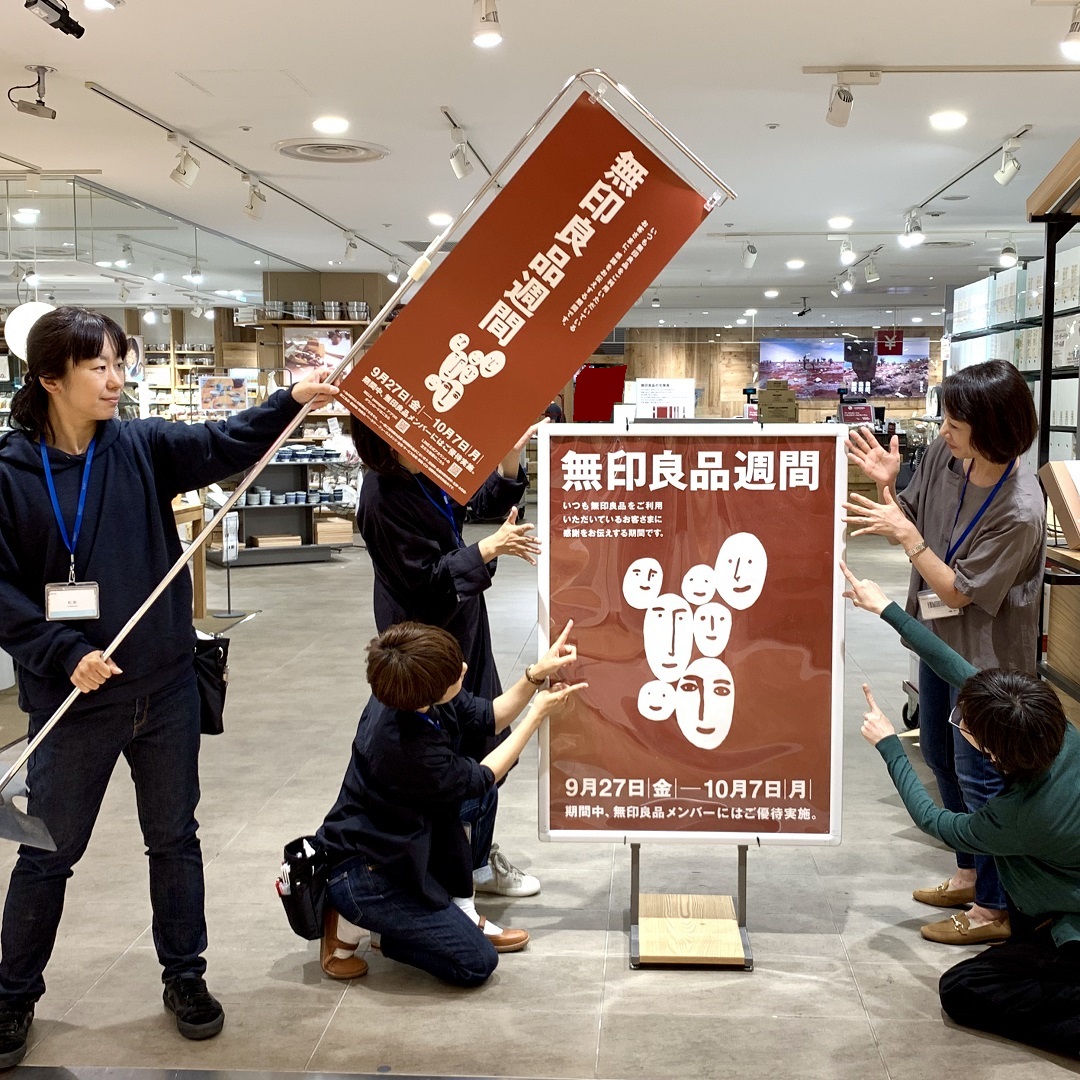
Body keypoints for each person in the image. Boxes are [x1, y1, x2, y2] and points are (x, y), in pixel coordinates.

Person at [0, 307, 338, 1067]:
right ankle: (11, 996)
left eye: (120, 362)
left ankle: (185, 977)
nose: (115, 380)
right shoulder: (10, 473)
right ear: (50, 378)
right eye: (98, 367)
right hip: (74, 699)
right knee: (48, 852)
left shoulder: (142, 446)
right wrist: (59, 649)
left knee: (174, 841)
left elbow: (224, 442)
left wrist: (293, 400)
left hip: (164, 687)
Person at [842, 563, 1080, 1058]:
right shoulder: (1055, 733)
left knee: (965, 988)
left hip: (1071, 924)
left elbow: (938, 824)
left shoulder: (1019, 816)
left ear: (995, 752)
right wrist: (885, 609)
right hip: (1057, 908)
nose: (961, 725)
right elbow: (962, 672)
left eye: (966, 726)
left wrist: (889, 744)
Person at [843, 359, 1043, 945]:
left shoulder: (1020, 509)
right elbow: (911, 515)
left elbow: (958, 590)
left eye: (955, 423)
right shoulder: (945, 458)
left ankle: (993, 909)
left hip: (985, 660)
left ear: (991, 426)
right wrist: (888, 482)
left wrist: (906, 538)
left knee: (981, 773)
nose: (944, 431)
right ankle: (964, 871)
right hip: (936, 643)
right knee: (938, 749)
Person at [317, 620, 585, 987]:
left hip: (399, 835)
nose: (464, 669)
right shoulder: (405, 746)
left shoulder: (404, 687)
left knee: (481, 799)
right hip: (369, 872)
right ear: (427, 689)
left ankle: (435, 912)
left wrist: (535, 674)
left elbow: (488, 718)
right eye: (452, 671)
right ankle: (363, 920)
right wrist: (537, 716)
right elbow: (480, 776)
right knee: (476, 962)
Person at [351, 417, 545, 898]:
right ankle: (449, 867)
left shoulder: (423, 467)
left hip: (463, 631)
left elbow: (477, 503)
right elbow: (424, 581)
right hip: (425, 647)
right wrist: (486, 549)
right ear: (384, 439)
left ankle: (473, 861)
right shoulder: (380, 496)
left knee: (482, 734)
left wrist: (508, 456)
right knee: (451, 757)